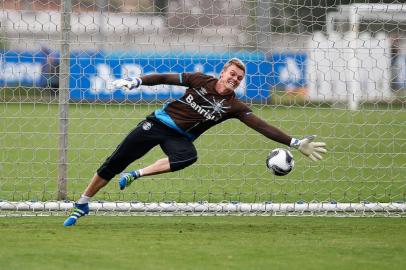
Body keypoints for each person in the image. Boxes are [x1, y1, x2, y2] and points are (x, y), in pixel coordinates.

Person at [63, 58, 327, 226]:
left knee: (187, 157)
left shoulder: (234, 106)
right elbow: (164, 78)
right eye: (232, 73)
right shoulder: (200, 80)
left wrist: (294, 142)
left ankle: (137, 174)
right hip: (156, 124)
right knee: (114, 163)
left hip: (180, 139)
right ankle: (83, 203)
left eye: (239, 78)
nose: (234, 79)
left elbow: (261, 125)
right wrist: (136, 81)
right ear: (223, 72)